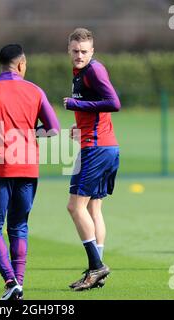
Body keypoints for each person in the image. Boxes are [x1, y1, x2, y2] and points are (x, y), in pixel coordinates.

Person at [0, 44, 60, 300]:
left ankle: (11, 281)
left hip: (0, 168)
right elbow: (53, 129)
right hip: (28, 168)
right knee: (19, 226)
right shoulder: (35, 90)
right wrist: (29, 134)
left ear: (0, 64)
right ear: (21, 64)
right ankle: (18, 284)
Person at [63, 28, 121, 290]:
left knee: (75, 207)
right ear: (69, 50)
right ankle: (95, 271)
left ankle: (96, 267)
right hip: (102, 146)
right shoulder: (80, 72)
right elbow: (97, 107)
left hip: (96, 149)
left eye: (84, 51)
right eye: (75, 51)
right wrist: (81, 127)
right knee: (93, 209)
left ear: (92, 51)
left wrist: (76, 106)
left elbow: (113, 103)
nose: (79, 55)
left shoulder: (94, 70)